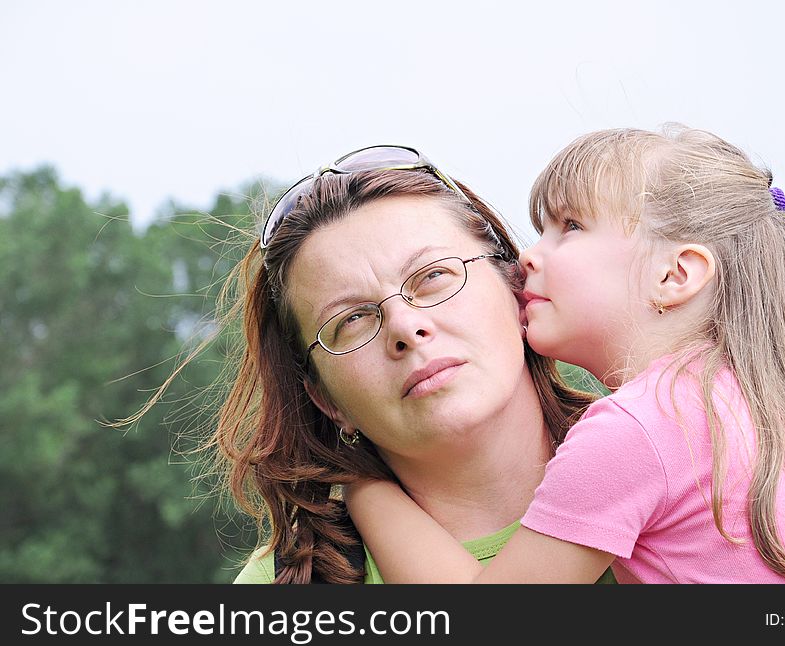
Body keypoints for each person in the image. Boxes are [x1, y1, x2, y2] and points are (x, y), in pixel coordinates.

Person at [345, 127, 785, 583]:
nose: (528, 256)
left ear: (675, 275)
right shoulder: (763, 409)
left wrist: (362, 489)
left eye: (571, 227)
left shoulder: (641, 429)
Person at [160, 144, 612, 583]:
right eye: (352, 319)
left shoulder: (676, 463)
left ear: (516, 290)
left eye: (434, 276)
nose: (404, 327)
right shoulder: (288, 584)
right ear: (325, 398)